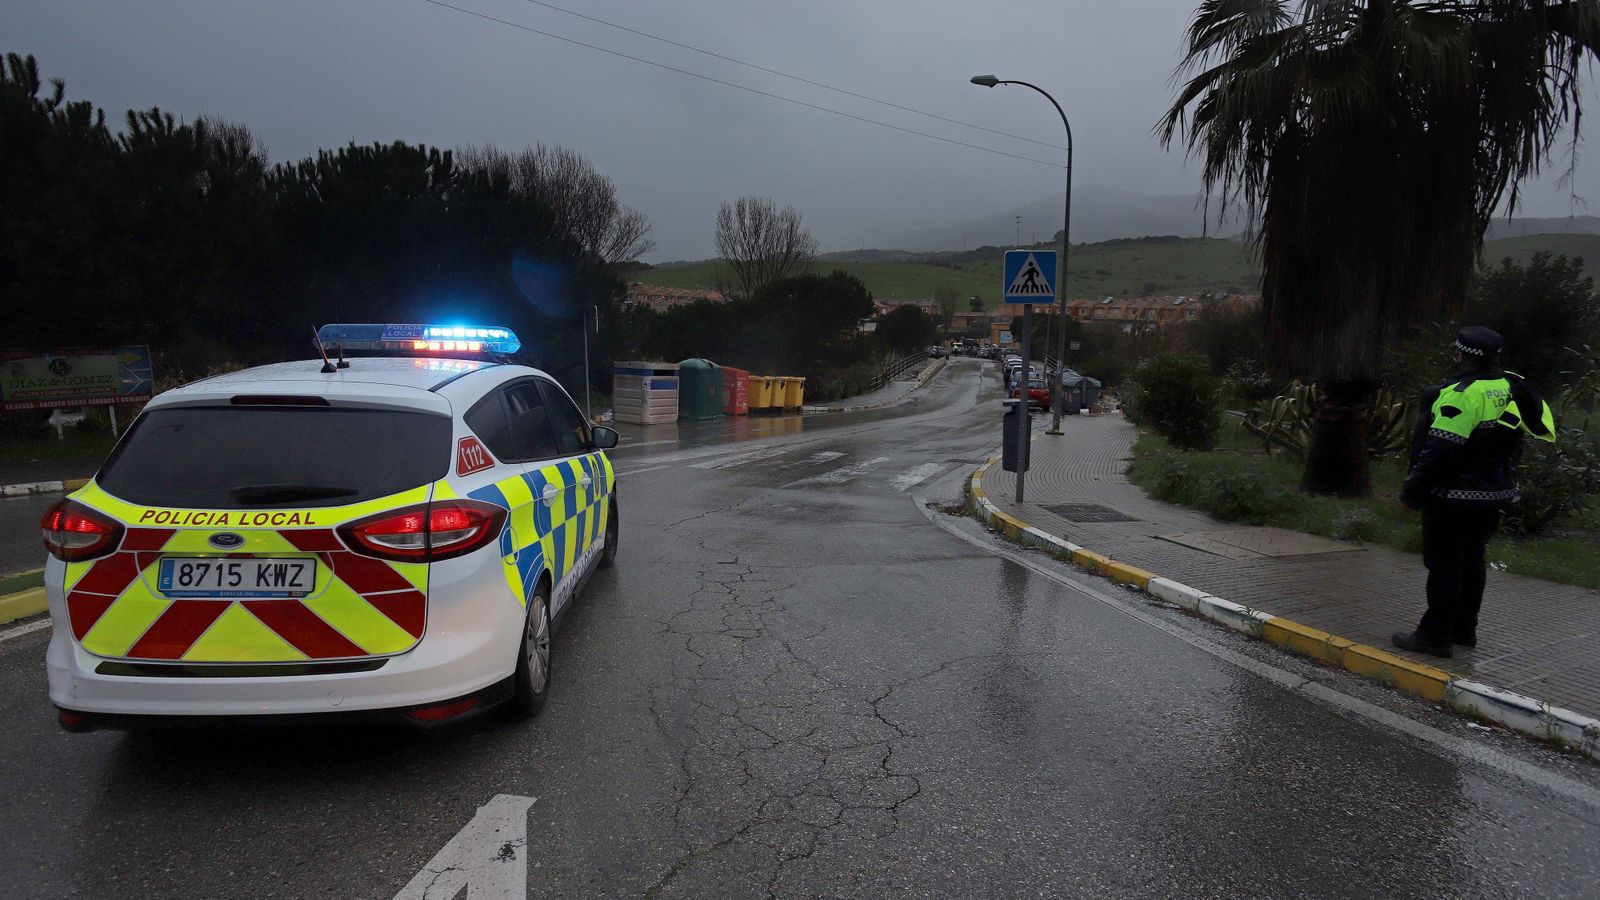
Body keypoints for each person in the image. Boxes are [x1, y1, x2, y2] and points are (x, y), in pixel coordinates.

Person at [1393, 326, 1556, 658]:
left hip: (1453, 496)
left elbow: (1441, 449)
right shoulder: (1509, 386)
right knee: (1472, 560)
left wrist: (1412, 492)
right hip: (1493, 493)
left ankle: (1435, 635)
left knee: (1445, 564)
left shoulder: (1461, 393)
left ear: (1460, 355)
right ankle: (1464, 630)